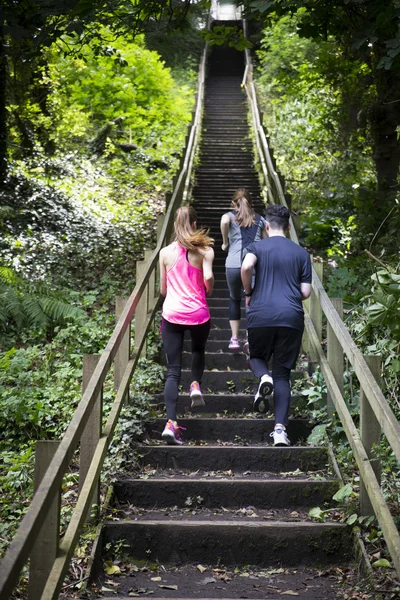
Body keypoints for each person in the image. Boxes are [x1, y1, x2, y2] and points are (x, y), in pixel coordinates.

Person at [241, 204, 312, 446]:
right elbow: (305, 292)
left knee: (255, 354)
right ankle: (280, 430)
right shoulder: (301, 254)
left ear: (267, 225)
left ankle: (262, 377)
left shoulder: (256, 247)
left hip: (261, 314)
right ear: (289, 226)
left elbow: (246, 266)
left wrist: (248, 291)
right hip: (291, 317)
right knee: (283, 375)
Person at [159, 206, 214, 445]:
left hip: (172, 315)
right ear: (194, 224)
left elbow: (163, 290)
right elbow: (209, 280)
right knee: (198, 350)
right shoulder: (205, 251)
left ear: (174, 225)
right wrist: (205, 290)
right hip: (198, 313)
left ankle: (171, 424)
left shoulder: (164, 253)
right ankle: (195, 385)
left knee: (173, 371)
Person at [220, 188, 267, 351]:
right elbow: (265, 243)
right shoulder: (260, 220)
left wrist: (225, 242)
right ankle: (249, 337)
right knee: (252, 300)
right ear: (251, 202)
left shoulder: (229, 217)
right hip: (252, 266)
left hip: (232, 265)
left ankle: (234, 338)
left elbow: (225, 221)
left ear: (233, 203)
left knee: (234, 299)